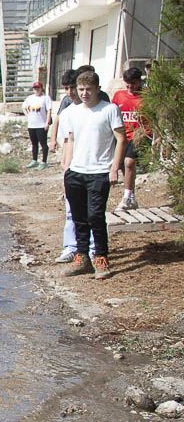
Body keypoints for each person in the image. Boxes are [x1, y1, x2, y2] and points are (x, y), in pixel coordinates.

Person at [59, 69, 125, 280]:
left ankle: (101, 257)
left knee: (95, 216)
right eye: (81, 89)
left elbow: (121, 139)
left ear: (97, 89)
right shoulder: (73, 112)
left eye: (89, 89)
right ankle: (82, 257)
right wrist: (67, 170)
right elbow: (71, 141)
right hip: (76, 172)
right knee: (78, 218)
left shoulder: (109, 110)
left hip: (99, 171)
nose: (85, 93)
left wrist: (114, 168)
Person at [49, 70, 95, 263]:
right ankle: (71, 246)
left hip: (91, 166)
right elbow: (68, 138)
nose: (70, 92)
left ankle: (92, 248)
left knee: (92, 211)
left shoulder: (98, 109)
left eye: (72, 88)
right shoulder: (67, 110)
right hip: (72, 166)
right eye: (66, 88)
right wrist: (65, 164)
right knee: (71, 210)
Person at [111, 67, 146, 211]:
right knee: (124, 167)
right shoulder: (119, 95)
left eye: (133, 83)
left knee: (129, 162)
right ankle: (131, 197)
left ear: (139, 82)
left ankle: (126, 198)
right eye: (127, 83)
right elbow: (111, 114)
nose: (130, 86)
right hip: (121, 137)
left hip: (139, 135)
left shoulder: (145, 97)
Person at [21, 81, 52, 168]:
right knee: (34, 143)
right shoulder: (30, 98)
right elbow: (23, 106)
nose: (36, 90)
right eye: (35, 88)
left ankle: (44, 161)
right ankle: (34, 160)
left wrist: (47, 122)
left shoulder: (45, 98)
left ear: (41, 88)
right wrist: (27, 115)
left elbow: (49, 110)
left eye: (38, 88)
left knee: (43, 144)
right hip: (32, 125)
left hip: (41, 124)